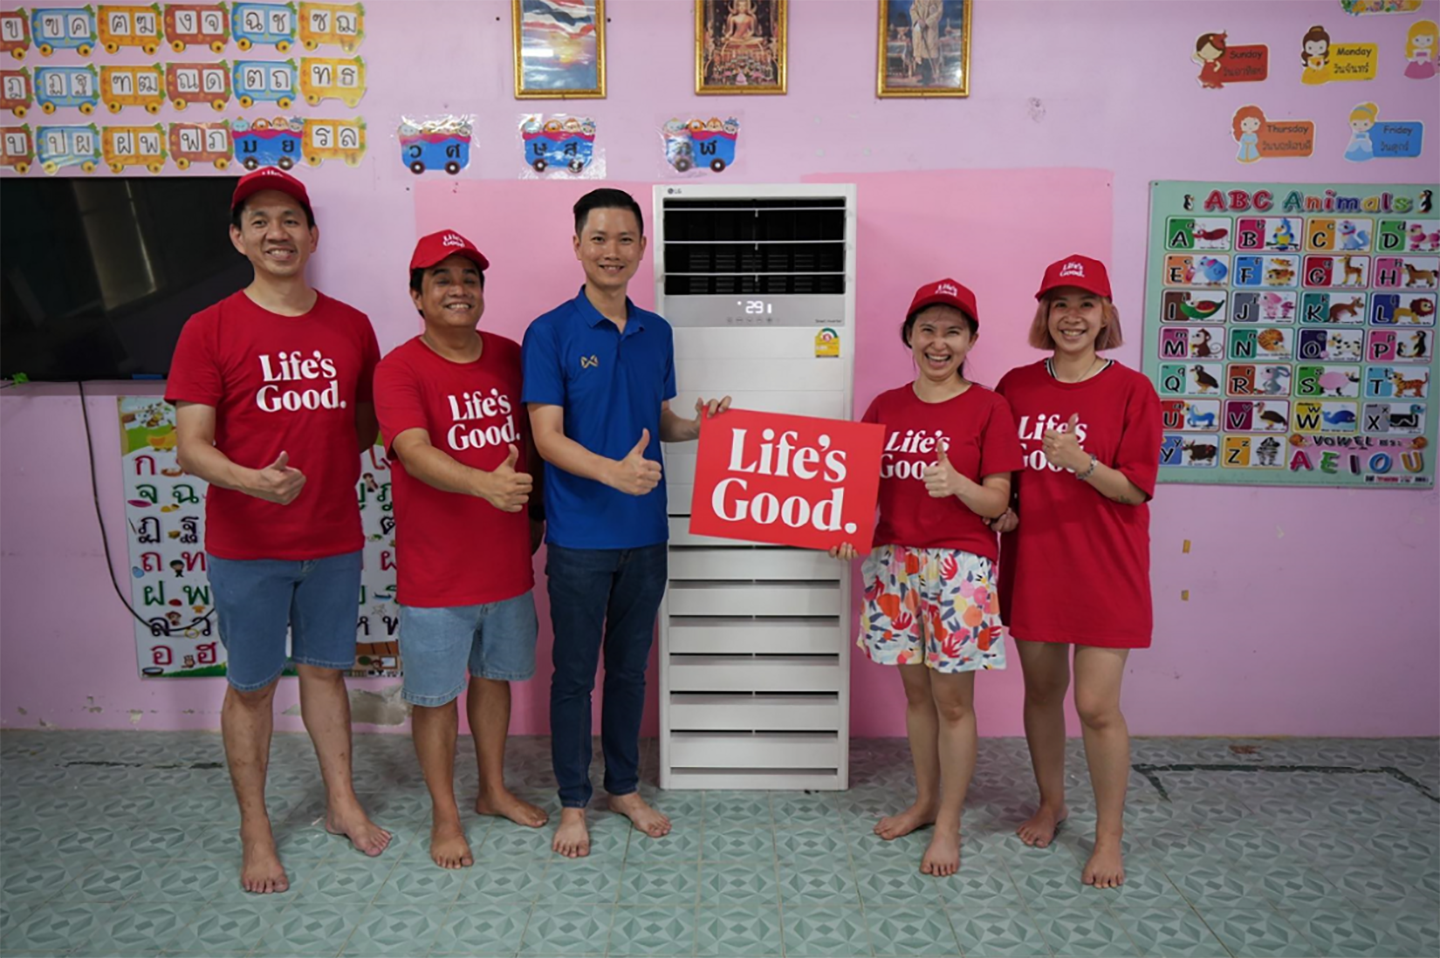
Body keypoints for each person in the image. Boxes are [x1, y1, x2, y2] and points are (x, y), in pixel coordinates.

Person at [167, 167, 390, 894]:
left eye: (290, 219)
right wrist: (252, 480)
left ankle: (341, 804)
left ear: (312, 234)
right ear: (238, 238)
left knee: (326, 674)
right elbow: (191, 445)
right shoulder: (209, 329)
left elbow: (363, 422)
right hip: (247, 547)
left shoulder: (352, 325)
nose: (277, 232)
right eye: (259, 220)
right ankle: (255, 829)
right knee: (254, 686)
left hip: (333, 540)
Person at [522, 188, 730, 858]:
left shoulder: (657, 332)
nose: (612, 251)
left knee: (631, 671)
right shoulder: (549, 332)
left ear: (643, 248)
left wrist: (698, 428)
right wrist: (611, 472)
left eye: (625, 239)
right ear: (577, 244)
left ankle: (623, 786)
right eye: (599, 238)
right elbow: (547, 437)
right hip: (581, 538)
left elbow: (657, 421)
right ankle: (573, 802)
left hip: (646, 535)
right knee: (575, 675)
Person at [831, 279, 1022, 876]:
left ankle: (948, 823)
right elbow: (857, 485)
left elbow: (1000, 504)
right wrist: (846, 527)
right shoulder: (886, 405)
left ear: (971, 340)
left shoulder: (989, 406)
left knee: (953, 703)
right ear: (909, 337)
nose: (939, 343)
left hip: (960, 566)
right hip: (894, 563)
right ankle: (924, 799)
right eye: (928, 330)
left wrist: (959, 486)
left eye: (953, 331)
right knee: (917, 696)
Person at [372, 230, 547, 870]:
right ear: (417, 294)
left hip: (506, 565)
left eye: (469, 278)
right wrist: (485, 485)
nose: (458, 289)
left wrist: (538, 514)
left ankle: (492, 790)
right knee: (434, 696)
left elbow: (546, 434)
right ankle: (445, 814)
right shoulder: (398, 367)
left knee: (494, 681)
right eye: (441, 279)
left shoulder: (510, 356)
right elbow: (414, 452)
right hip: (436, 573)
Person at [991, 255, 1161, 889]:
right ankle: (1051, 802)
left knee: (1095, 706)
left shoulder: (1133, 390)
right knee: (1041, 694)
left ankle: (1110, 834)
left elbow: (1136, 490)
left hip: (1106, 569)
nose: (1071, 317)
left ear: (1105, 315)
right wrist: (1004, 510)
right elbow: (1000, 474)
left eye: (1085, 305)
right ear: (1045, 315)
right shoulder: (1015, 386)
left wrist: (1081, 462)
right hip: (1036, 564)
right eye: (1059, 305)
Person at [910, 0, 942, 85]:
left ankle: (929, 77)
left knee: (929, 53)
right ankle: (923, 77)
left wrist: (927, 22)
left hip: (930, 29)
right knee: (921, 53)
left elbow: (939, 12)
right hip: (919, 27)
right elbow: (913, 10)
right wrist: (918, 20)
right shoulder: (917, 1)